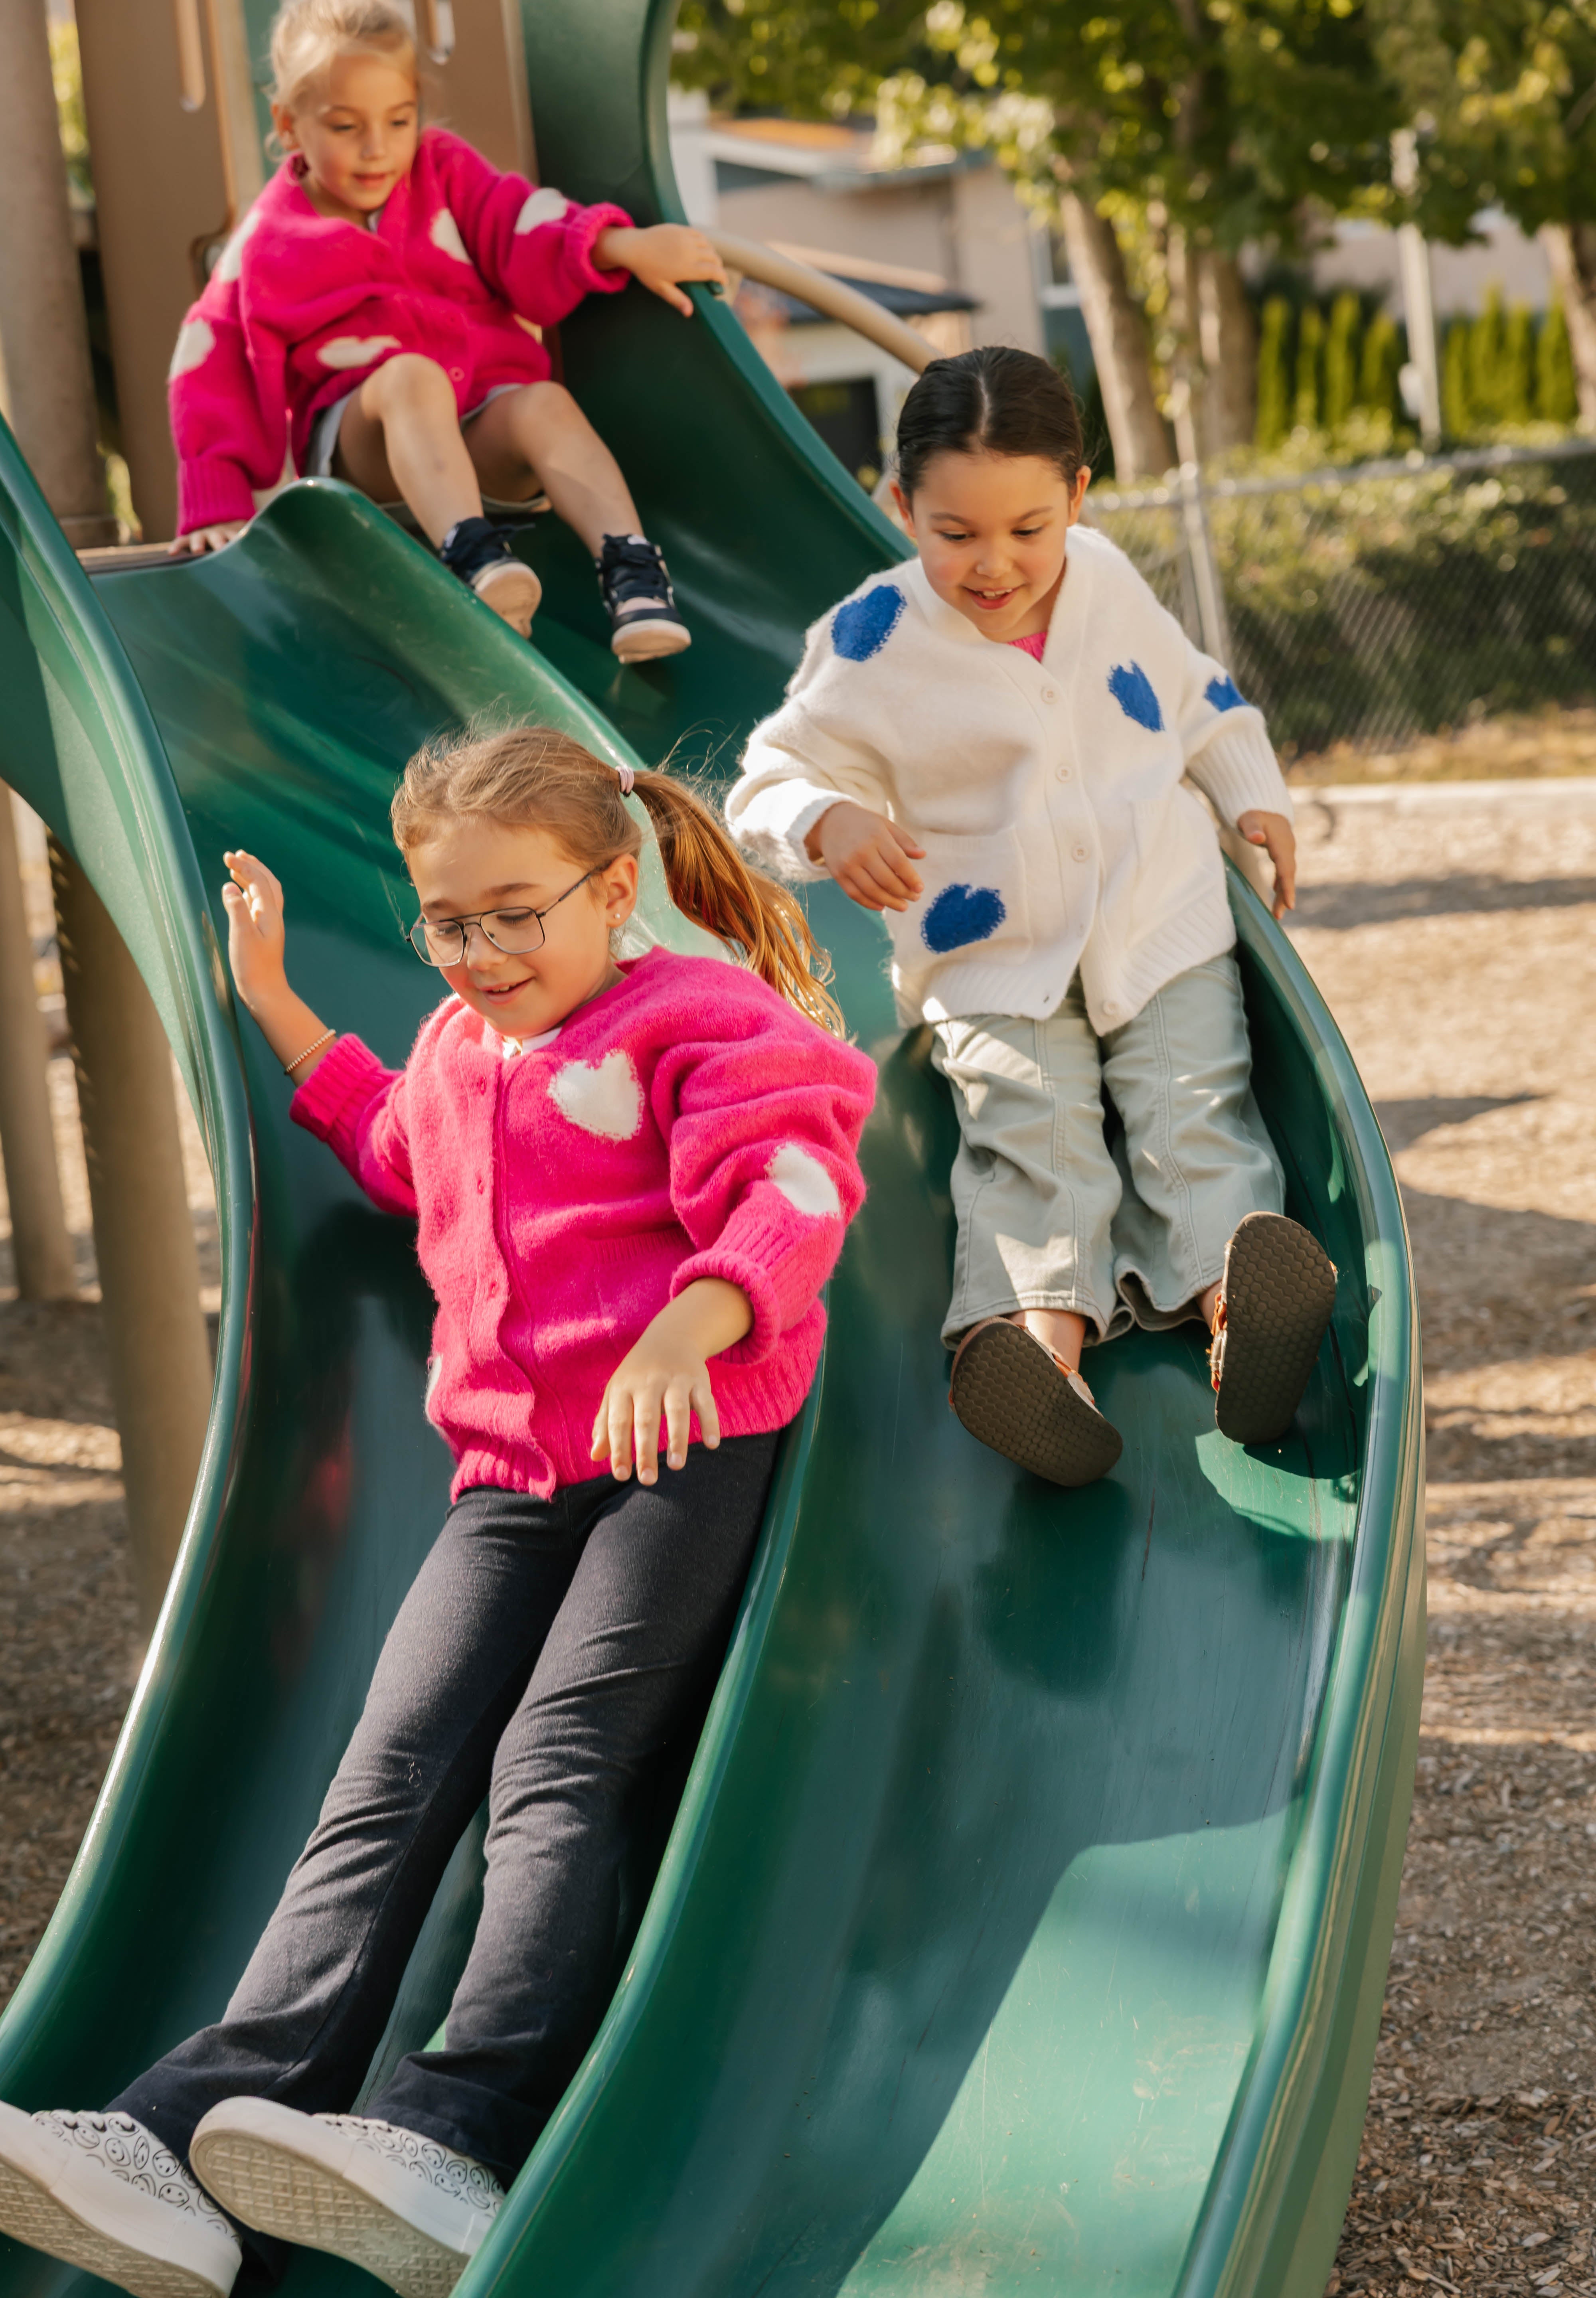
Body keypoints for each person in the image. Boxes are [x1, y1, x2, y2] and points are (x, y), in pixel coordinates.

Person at [0, 727, 875, 2298]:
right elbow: (403, 1150)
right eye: (448, 922)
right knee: (386, 1772)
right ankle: (178, 2130)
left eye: (514, 914)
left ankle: (457, 2126)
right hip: (510, 1481)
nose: (477, 954)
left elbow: (792, 1184)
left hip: (676, 1451)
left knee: (555, 1766)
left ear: (617, 889)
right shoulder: (466, 1053)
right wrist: (275, 1007)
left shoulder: (699, 1016)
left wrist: (699, 1314)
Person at [727, 344, 1336, 1489]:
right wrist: (826, 820)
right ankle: (1041, 1366)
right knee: (1033, 1138)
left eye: (1028, 528)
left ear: (1078, 499)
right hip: (992, 955)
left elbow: (1198, 693)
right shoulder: (875, 639)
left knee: (1192, 1111)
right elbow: (762, 780)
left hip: (1154, 917)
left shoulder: (1104, 579)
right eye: (954, 534)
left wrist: (1253, 792)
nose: (995, 564)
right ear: (901, 504)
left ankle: (1235, 1327)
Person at [167, 0, 728, 659]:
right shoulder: (272, 240)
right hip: (367, 461)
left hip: (473, 437)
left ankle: (632, 572)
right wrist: (216, 502)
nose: (378, 148)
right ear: (289, 125)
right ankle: (474, 558)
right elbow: (211, 359)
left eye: (399, 120)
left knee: (543, 400)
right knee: (411, 377)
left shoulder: (443, 171)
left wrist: (618, 247)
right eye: (346, 126)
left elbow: (519, 221)